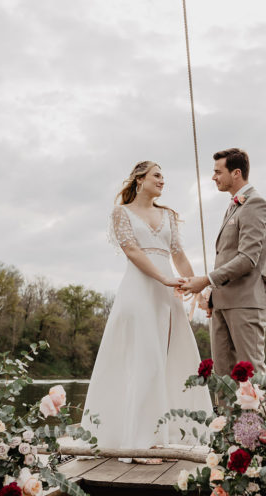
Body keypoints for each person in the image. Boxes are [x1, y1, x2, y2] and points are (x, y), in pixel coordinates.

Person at [80, 160, 212, 463]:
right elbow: (133, 251)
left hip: (168, 296)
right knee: (145, 359)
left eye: (164, 176)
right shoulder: (121, 213)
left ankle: (180, 434)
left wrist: (198, 290)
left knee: (176, 358)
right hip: (139, 291)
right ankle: (141, 441)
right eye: (157, 175)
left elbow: (179, 256)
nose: (162, 181)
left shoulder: (168, 215)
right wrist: (163, 277)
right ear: (139, 179)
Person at [181, 148, 266, 378]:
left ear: (236, 173)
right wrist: (212, 293)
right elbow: (227, 256)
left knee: (252, 372)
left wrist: (206, 280)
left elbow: (248, 259)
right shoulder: (234, 205)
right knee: (223, 376)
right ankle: (226, 416)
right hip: (221, 302)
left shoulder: (255, 205)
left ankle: (262, 415)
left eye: (218, 172)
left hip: (246, 301)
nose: (214, 177)